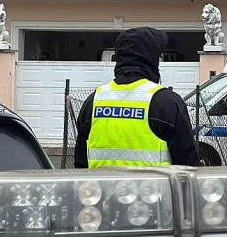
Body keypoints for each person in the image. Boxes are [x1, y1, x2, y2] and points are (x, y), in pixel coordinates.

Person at [74, 27, 199, 168]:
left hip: (101, 183)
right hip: (154, 183)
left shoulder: (94, 101)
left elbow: (81, 165)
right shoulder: (167, 103)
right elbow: (188, 165)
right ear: (151, 59)